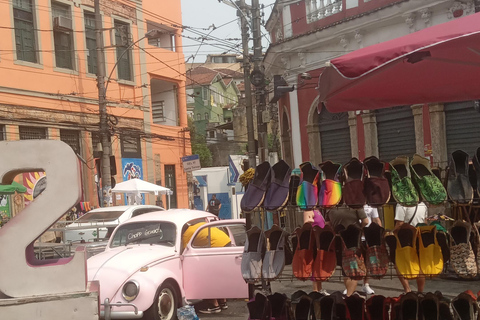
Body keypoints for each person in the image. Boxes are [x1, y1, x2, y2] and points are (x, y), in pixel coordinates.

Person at [182, 222, 230, 314]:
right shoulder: (198, 225)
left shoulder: (186, 234)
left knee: (209, 277)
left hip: (217, 247)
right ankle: (223, 302)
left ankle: (214, 306)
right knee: (218, 277)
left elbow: (184, 252)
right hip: (226, 242)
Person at [325, 205, 369, 297]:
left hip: (338, 240)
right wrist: (358, 230)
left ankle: (349, 294)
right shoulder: (355, 205)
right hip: (353, 239)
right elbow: (366, 221)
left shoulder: (330, 207)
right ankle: (349, 295)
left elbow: (327, 225)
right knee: (354, 269)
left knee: (345, 269)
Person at [394, 202, 428, 293]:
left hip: (405, 238)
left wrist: (391, 233)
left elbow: (399, 223)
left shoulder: (401, 204)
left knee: (399, 263)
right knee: (419, 264)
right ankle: (420, 292)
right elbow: (425, 222)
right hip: (418, 237)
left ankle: (407, 289)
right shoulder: (423, 204)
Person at [303, 209, 329, 295]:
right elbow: (306, 224)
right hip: (314, 242)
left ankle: (320, 288)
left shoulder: (317, 210)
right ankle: (315, 290)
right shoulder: (308, 211)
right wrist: (310, 220)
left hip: (320, 241)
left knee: (319, 265)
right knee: (315, 265)